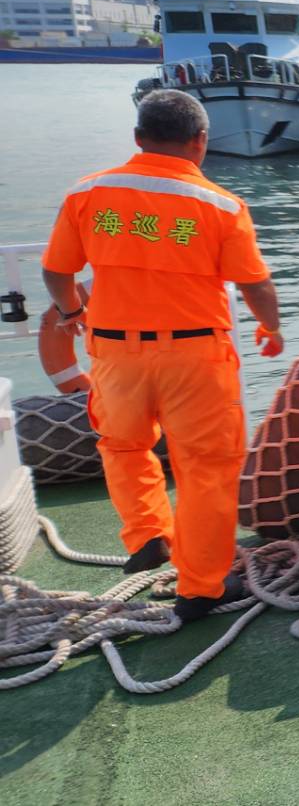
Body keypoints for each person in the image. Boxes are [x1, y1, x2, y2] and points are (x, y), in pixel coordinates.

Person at [41, 90, 285, 621]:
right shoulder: (221, 206)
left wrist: (71, 312)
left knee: (123, 444)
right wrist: (270, 326)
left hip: (114, 351)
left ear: (137, 137)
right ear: (200, 141)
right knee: (207, 467)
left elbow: (57, 271)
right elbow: (255, 284)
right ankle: (201, 586)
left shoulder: (88, 193)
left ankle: (147, 533)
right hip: (195, 354)